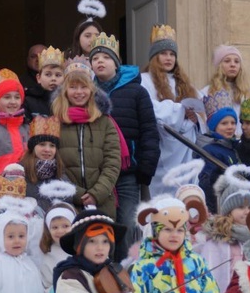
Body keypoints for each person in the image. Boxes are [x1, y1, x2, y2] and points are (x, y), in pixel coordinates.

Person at [90, 32, 160, 247]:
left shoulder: (137, 91)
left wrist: (146, 167)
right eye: (95, 58)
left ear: (116, 63)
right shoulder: (87, 93)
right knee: (103, 225)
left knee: (128, 225)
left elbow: (149, 129)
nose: (100, 61)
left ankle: (126, 271)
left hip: (127, 172)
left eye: (106, 57)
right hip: (98, 174)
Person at [53, 57, 121, 219]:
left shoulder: (104, 123)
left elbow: (112, 162)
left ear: (92, 90)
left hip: (102, 201)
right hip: (67, 202)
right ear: (65, 91)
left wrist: (96, 194)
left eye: (84, 87)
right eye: (73, 87)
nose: (78, 92)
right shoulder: (55, 123)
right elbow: (53, 163)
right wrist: (77, 194)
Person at [140, 24, 202, 197]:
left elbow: (200, 111)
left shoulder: (184, 83)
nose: (168, 58)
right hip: (162, 144)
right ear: (154, 56)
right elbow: (149, 107)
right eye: (163, 53)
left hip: (186, 147)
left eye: (172, 54)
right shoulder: (144, 80)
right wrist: (181, 110)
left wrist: (194, 118)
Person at [201, 45, 250, 136]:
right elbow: (203, 122)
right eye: (227, 61)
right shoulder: (207, 92)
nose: (233, 64)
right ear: (219, 65)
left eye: (237, 61)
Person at [198, 90, 240, 213]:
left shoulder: (234, 147)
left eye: (233, 123)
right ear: (214, 126)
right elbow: (207, 183)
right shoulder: (210, 150)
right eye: (224, 123)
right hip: (220, 208)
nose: (230, 127)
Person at [20, 115, 71, 212]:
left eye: (52, 146)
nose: (47, 150)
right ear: (33, 147)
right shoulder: (19, 171)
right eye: (42, 144)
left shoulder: (60, 172)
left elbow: (67, 201)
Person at [24, 46, 65, 119]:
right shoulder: (28, 101)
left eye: (58, 75)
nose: (53, 79)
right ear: (38, 78)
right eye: (48, 74)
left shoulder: (68, 101)